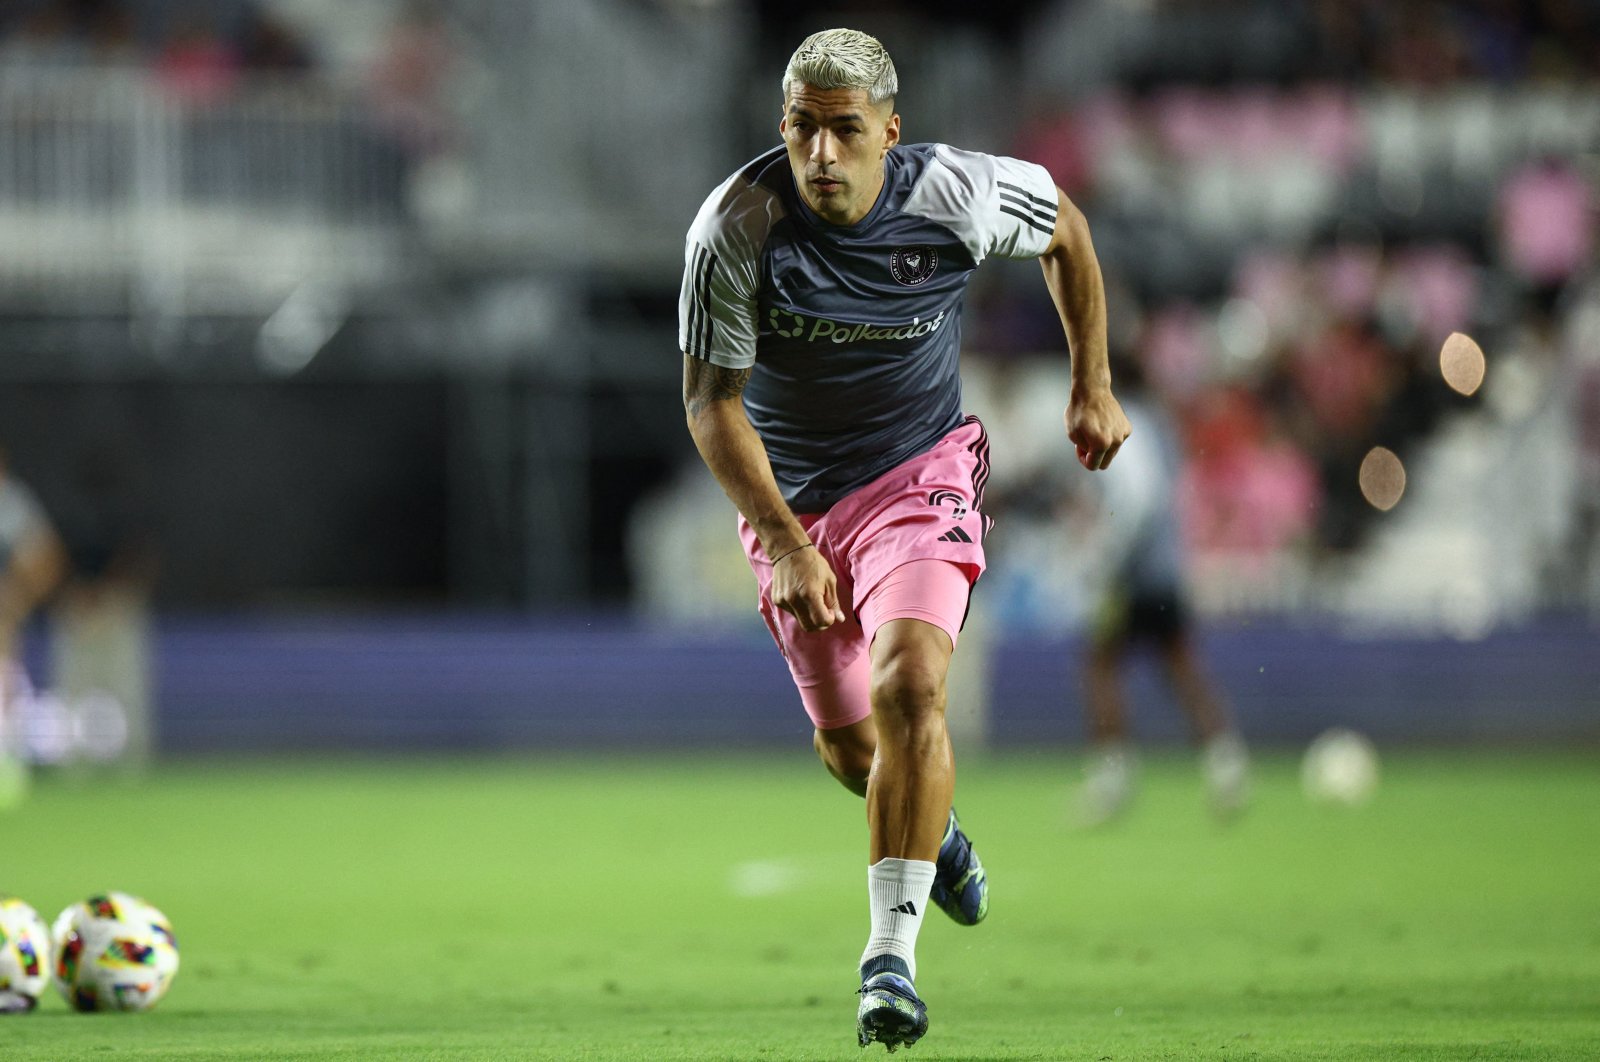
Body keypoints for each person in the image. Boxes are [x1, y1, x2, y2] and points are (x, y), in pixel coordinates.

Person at [678, 28, 1130, 1051]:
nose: (823, 155)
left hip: (917, 478)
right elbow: (711, 408)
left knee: (911, 683)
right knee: (850, 751)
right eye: (803, 130)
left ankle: (889, 959)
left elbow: (1067, 233)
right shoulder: (735, 229)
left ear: (892, 130)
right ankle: (944, 836)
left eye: (845, 131)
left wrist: (1090, 383)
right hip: (792, 509)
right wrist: (786, 542)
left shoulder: (957, 194)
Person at [1072, 354, 1249, 827]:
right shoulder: (1157, 423)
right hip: (1166, 567)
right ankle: (1226, 766)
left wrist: (1106, 562)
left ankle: (1113, 781)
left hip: (1135, 572)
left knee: (1101, 665)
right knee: (1180, 667)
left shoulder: (1124, 422)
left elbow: (1136, 498)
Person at [0, 442, 68, 804]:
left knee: (3, 671)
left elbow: (46, 557)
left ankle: (5, 758)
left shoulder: (10, 502)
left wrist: (16, 598)